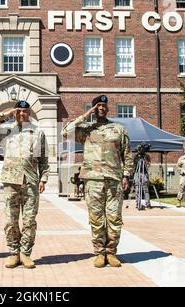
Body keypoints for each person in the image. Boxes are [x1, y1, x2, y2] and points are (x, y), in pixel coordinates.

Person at [62, 95, 134, 268]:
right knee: (96, 218)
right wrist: (86, 115)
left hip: (114, 180)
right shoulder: (86, 130)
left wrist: (126, 175)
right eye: (98, 106)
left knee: (114, 218)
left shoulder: (118, 129)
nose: (101, 108)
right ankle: (100, 253)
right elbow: (65, 132)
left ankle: (111, 252)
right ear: (94, 109)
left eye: (104, 105)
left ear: (108, 108)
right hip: (93, 181)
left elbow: (127, 155)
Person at [0, 100, 49, 269]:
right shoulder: (6, 130)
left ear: (29, 113)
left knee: (29, 220)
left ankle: (25, 253)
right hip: (11, 181)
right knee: (11, 220)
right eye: (18, 111)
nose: (21, 114)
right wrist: (6, 114)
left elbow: (44, 159)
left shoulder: (37, 132)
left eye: (24, 111)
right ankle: (14, 253)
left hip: (31, 181)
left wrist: (44, 178)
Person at [134, 143, 151, 210]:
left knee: (145, 189)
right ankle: (138, 203)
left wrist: (145, 161)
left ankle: (148, 204)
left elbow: (148, 164)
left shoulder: (146, 156)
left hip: (144, 173)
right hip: (138, 173)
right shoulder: (136, 156)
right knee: (137, 189)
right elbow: (135, 165)